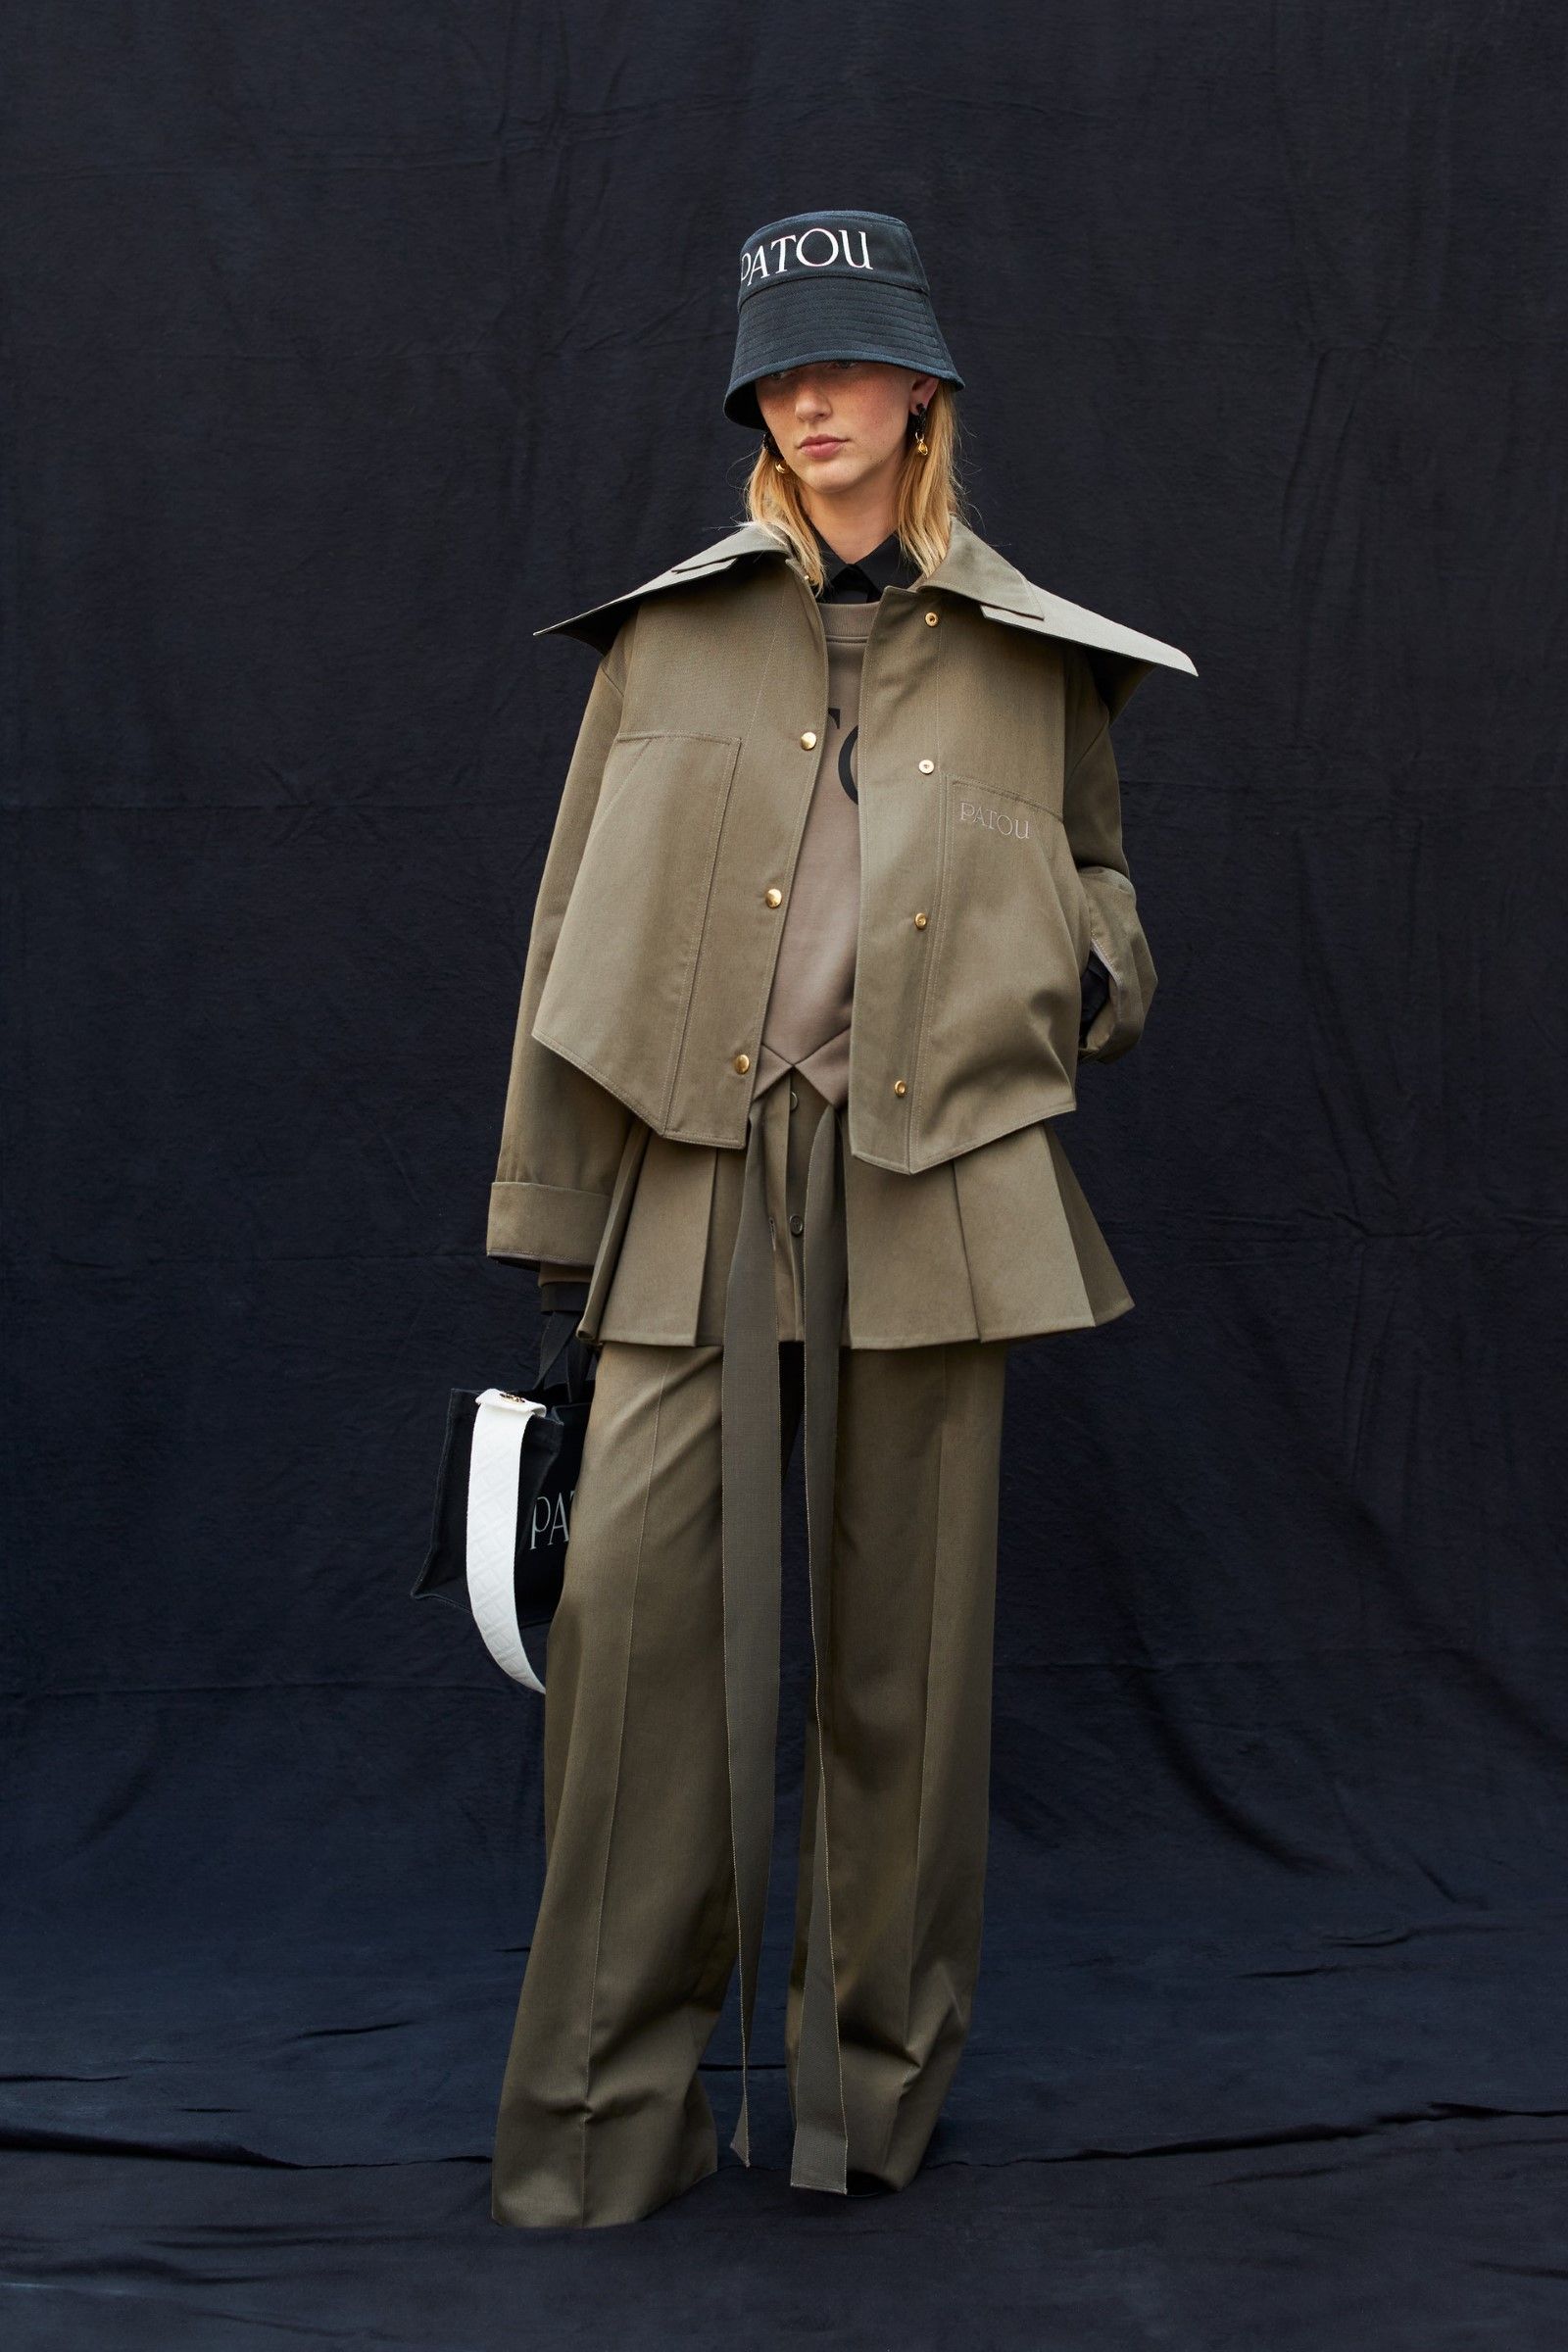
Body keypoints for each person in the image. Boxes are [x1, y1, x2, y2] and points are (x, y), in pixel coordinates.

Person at [484, 208, 1196, 2229]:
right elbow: (564, 927)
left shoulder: (1040, 658)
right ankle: (601, 2136)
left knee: (906, 1677)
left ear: (920, 392)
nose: (808, 402)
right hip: (692, 1178)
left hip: (934, 1185)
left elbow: (1108, 909)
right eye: (775, 376)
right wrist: (559, 1225)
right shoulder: (667, 639)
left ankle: (866, 2113)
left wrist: (1063, 965)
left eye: (846, 364)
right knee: (633, 1657)